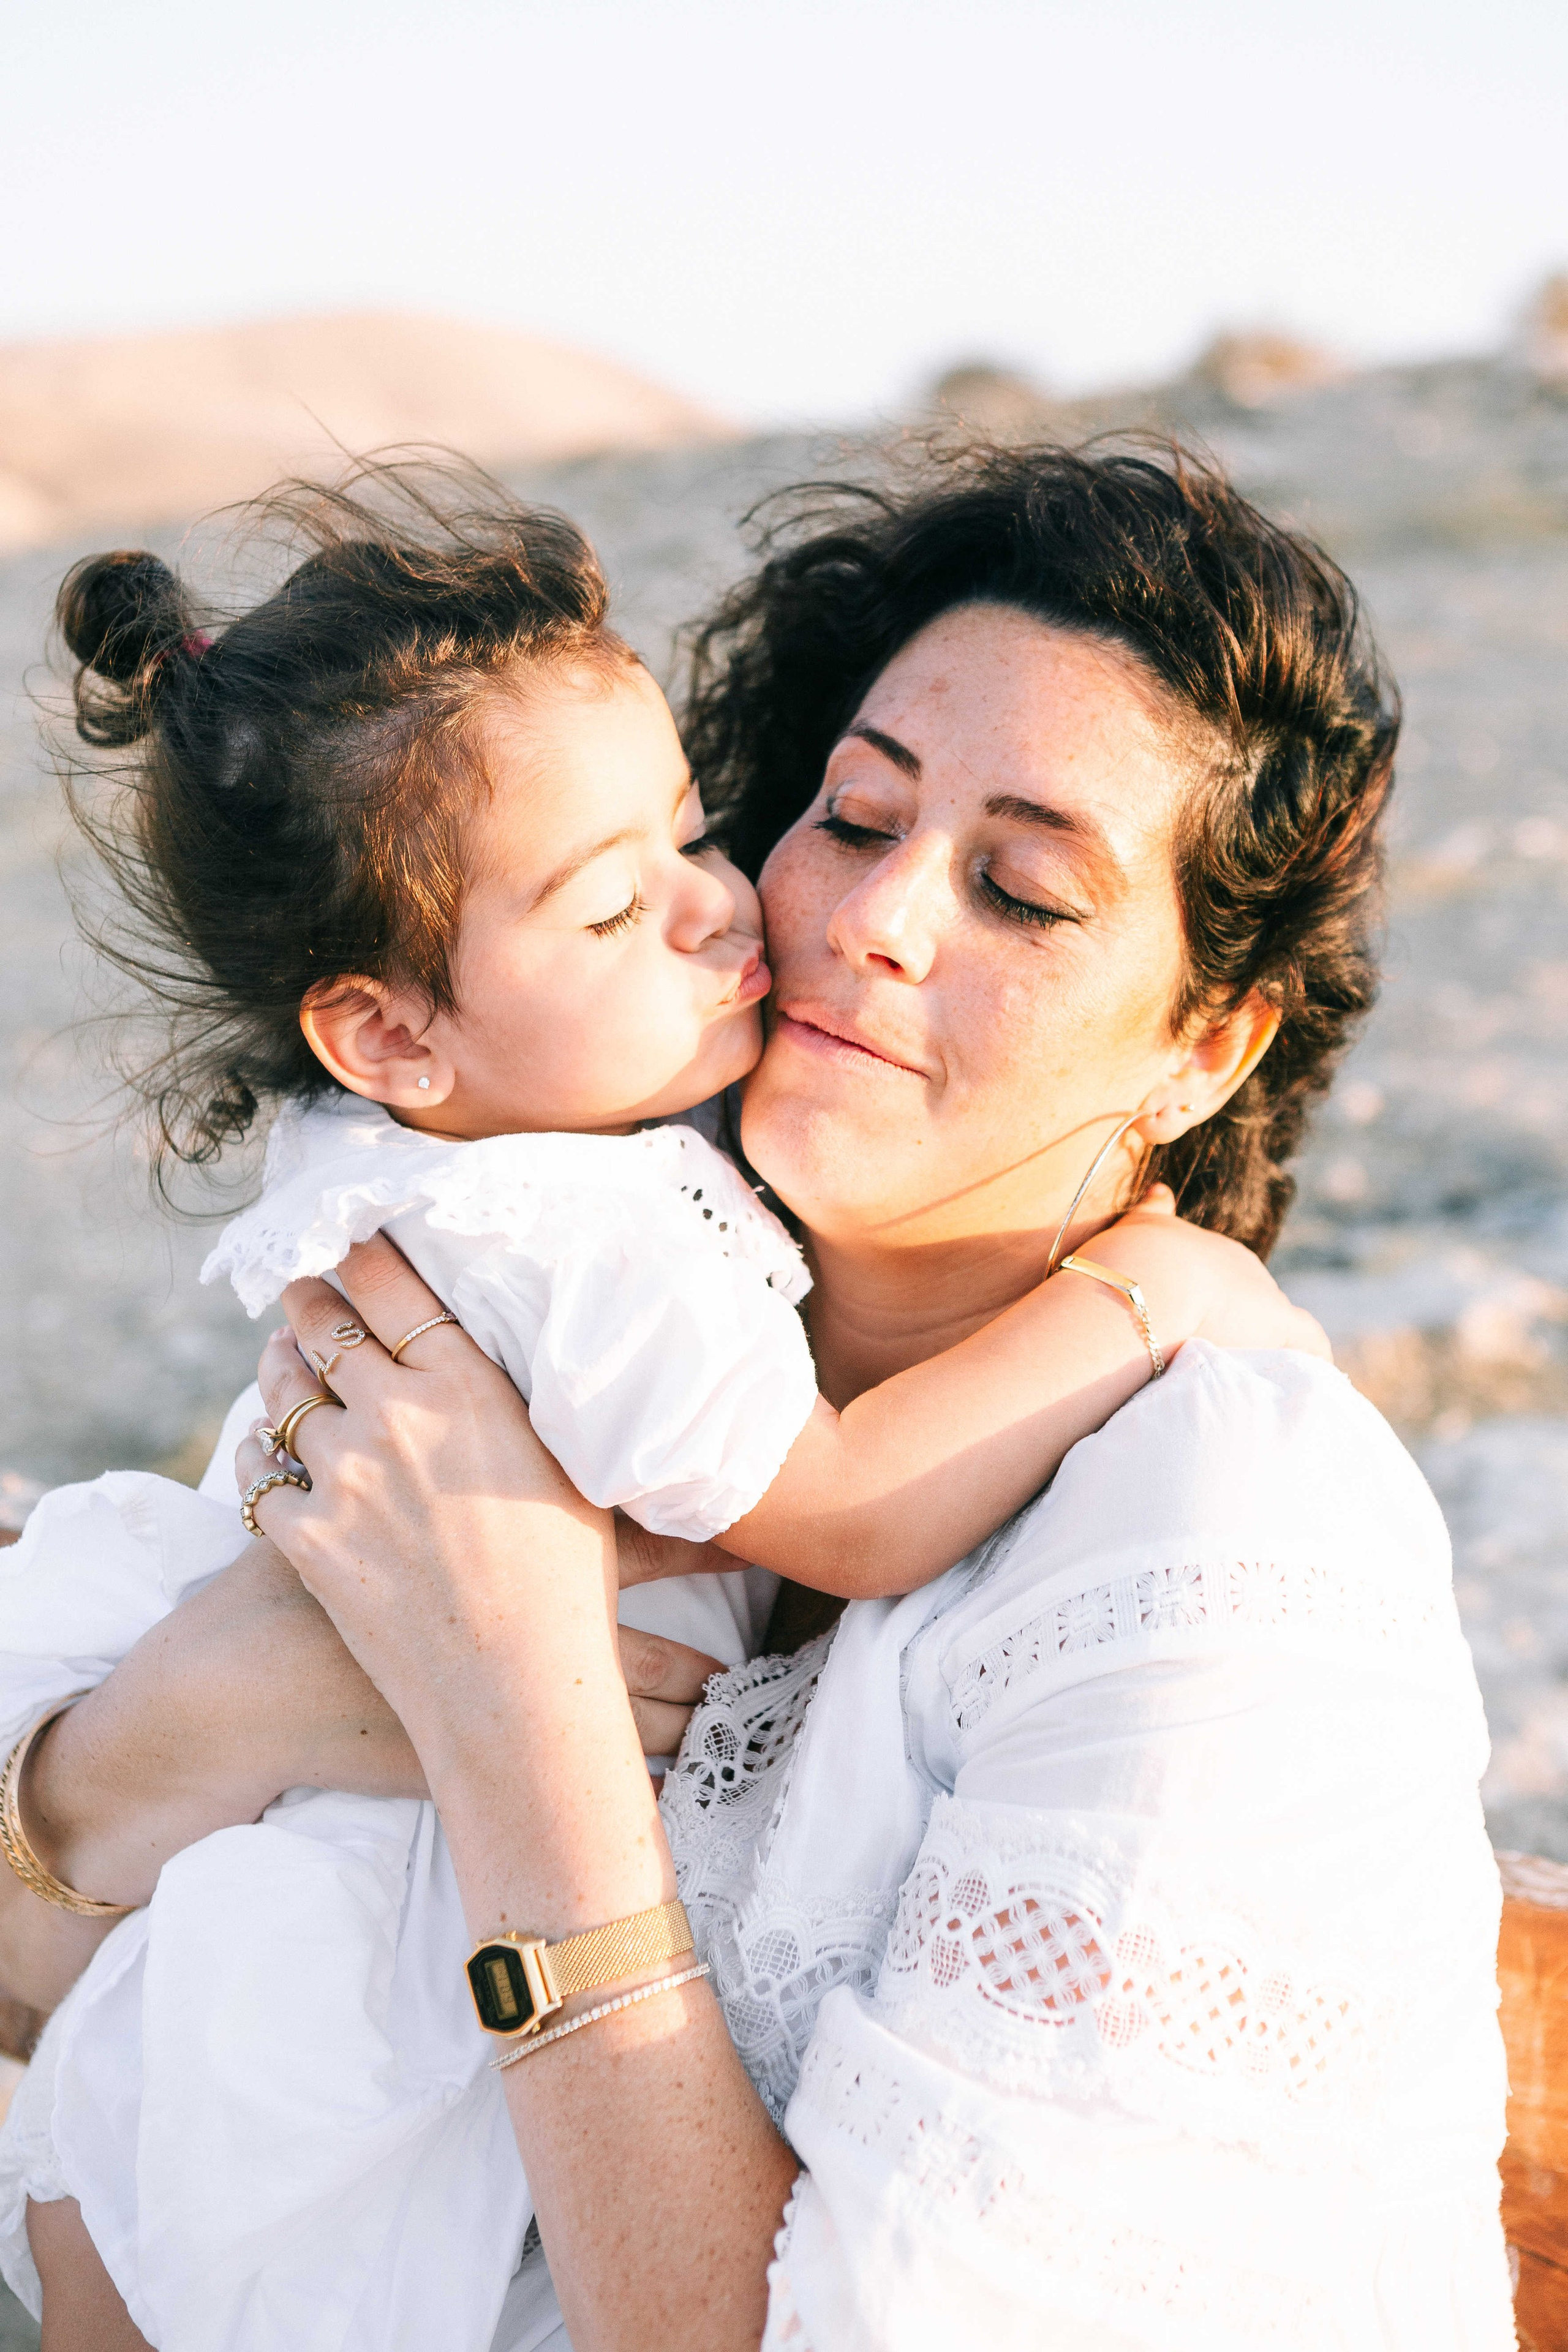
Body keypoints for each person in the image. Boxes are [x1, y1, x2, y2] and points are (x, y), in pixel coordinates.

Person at [0, 444, 1512, 2350]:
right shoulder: (564, 1323)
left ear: (1206, 1050)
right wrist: (226, 1699)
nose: (870, 918)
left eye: (1025, 890)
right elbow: (57, 1999)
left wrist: (504, 1699)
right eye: (854, 816)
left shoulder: (1221, 1526)